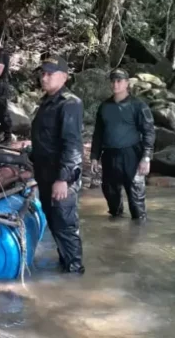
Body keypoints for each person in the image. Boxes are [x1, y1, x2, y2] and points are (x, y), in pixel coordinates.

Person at [28, 55, 85, 274]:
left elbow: (72, 144)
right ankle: (66, 267)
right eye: (43, 73)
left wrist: (63, 179)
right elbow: (46, 139)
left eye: (50, 74)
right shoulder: (46, 102)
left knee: (65, 226)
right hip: (45, 174)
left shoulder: (69, 103)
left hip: (61, 177)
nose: (44, 78)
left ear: (64, 77)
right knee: (54, 223)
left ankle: (74, 272)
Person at [90, 69, 155, 220]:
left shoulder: (138, 106)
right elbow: (98, 133)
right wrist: (94, 156)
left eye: (119, 81)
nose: (115, 84)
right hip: (109, 155)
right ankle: (115, 228)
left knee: (136, 199)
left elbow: (149, 132)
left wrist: (146, 157)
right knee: (111, 195)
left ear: (127, 83)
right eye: (113, 81)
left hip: (131, 154)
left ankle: (138, 229)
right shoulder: (104, 106)